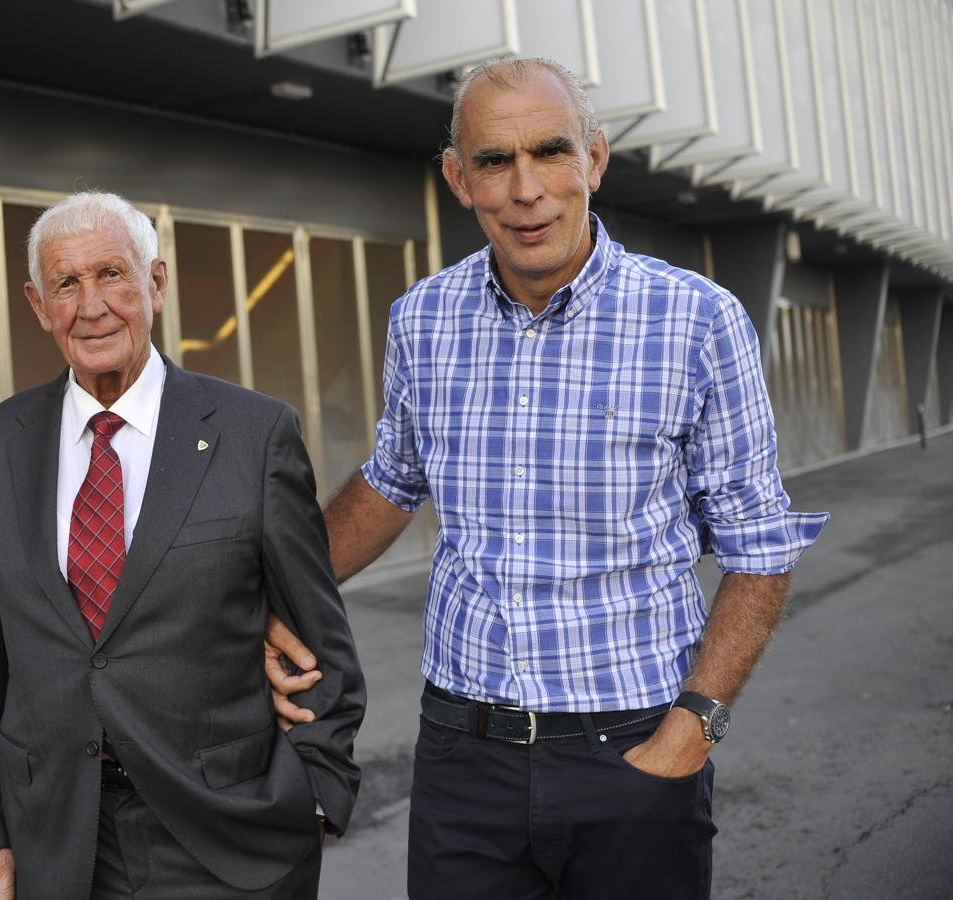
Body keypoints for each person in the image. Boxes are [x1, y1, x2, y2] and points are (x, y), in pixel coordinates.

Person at [266, 57, 828, 899]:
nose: (525, 190)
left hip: (635, 749)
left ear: (593, 160)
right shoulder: (422, 319)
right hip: (462, 755)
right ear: (458, 179)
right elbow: (391, 482)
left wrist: (693, 729)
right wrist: (276, 600)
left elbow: (758, 545)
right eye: (494, 161)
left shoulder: (696, 320)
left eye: (550, 151)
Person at [0, 191, 364, 900]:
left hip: (225, 835)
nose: (91, 306)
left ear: (157, 283)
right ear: (38, 305)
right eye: (66, 284)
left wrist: (315, 797)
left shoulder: (254, 434)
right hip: (56, 836)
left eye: (111, 273)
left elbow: (320, 638)